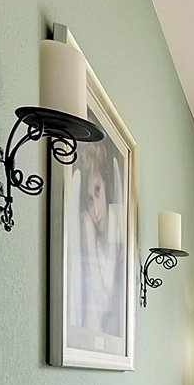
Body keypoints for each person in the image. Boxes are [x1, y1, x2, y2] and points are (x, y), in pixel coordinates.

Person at [70, 139, 124, 339]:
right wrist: (90, 243)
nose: (96, 211)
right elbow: (94, 315)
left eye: (98, 190)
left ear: (106, 184)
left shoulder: (119, 239)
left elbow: (106, 302)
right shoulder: (87, 238)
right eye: (89, 200)